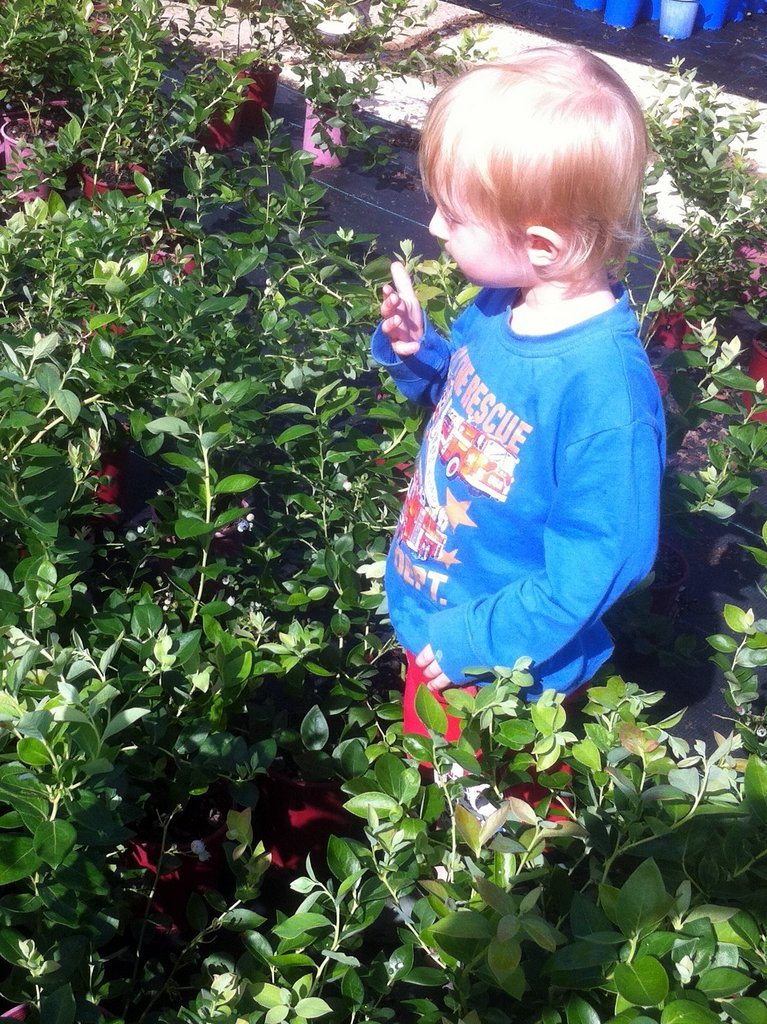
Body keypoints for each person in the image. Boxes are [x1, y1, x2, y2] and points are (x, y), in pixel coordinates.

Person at [371, 45, 666, 743]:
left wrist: (476, 640)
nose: (435, 228)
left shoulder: (603, 395)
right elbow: (473, 408)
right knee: (431, 790)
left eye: (453, 212)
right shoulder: (503, 304)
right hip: (446, 616)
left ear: (539, 243)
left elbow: (604, 562)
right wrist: (424, 354)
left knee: (481, 812)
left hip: (498, 670)